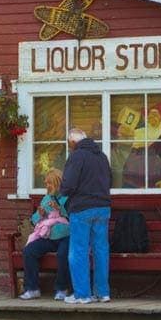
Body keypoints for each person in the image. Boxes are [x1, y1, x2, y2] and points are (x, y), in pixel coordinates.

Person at [60, 126, 111, 304]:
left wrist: (62, 191)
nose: (69, 148)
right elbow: (110, 179)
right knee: (101, 250)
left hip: (82, 208)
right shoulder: (102, 156)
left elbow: (68, 184)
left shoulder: (77, 155)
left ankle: (83, 294)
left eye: (69, 145)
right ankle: (103, 293)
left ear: (73, 142)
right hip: (103, 208)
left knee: (78, 251)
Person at [18, 168, 71, 300]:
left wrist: (60, 209)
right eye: (46, 183)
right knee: (29, 251)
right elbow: (34, 220)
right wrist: (39, 214)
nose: (47, 186)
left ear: (58, 183)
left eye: (50, 183)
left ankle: (62, 288)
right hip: (48, 236)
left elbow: (73, 218)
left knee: (63, 254)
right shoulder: (46, 198)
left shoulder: (68, 198)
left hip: (66, 236)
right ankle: (32, 288)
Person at [118, 103, 161, 189]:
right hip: (129, 182)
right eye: (149, 114)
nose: (150, 117)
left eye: (155, 114)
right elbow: (120, 136)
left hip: (152, 185)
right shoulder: (140, 131)